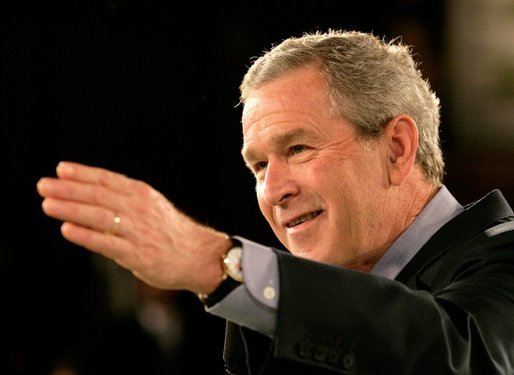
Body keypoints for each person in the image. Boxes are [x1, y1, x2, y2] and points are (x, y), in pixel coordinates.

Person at [37, 29, 514, 374]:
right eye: (259, 167)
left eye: (298, 149)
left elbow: (458, 356)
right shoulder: (282, 320)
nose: (273, 190)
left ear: (396, 148)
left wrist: (217, 263)